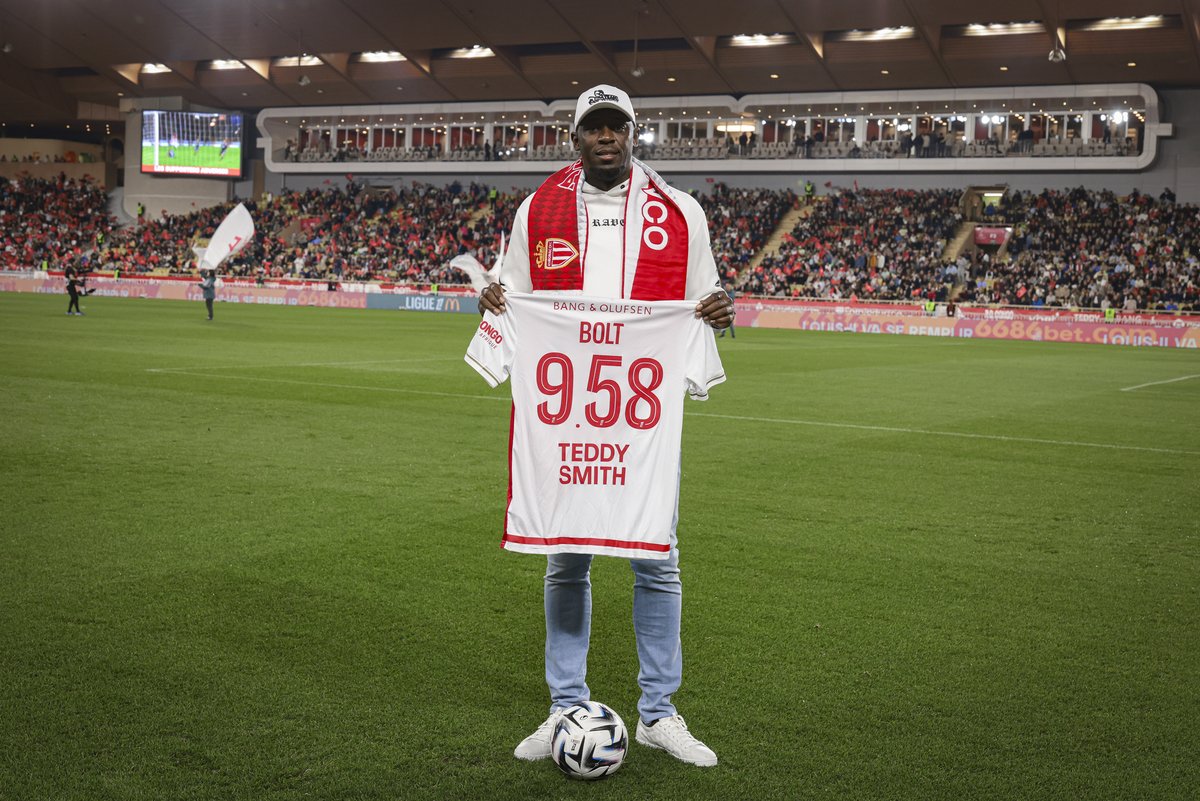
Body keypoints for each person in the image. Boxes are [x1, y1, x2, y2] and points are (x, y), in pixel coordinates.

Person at [476, 83, 733, 768]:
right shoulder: (538, 210)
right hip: (569, 419)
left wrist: (719, 313)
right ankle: (565, 705)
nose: (606, 137)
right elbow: (509, 295)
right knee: (567, 556)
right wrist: (495, 299)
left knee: (657, 556)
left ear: (633, 132)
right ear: (576, 137)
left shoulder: (679, 215)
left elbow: (705, 300)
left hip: (638, 419)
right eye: (594, 126)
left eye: (617, 125)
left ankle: (658, 713)